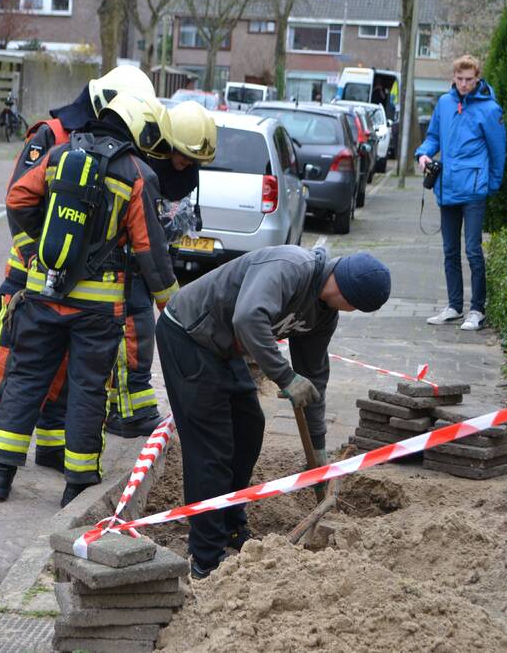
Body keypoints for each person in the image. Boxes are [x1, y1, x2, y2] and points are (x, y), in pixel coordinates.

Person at [0, 93, 180, 507]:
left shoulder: (60, 155)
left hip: (43, 293)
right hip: (97, 310)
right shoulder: (136, 173)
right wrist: (175, 307)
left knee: (26, 377)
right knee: (88, 390)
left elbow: (17, 199)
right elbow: (149, 250)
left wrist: (34, 251)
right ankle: (77, 482)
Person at [156, 246, 391, 578]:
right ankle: (206, 557)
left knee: (249, 429)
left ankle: (231, 525)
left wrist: (319, 448)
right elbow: (247, 317)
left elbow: (312, 379)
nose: (350, 311)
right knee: (211, 449)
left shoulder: (323, 315)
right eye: (354, 306)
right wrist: (285, 376)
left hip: (225, 347)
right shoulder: (290, 267)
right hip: (188, 333)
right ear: (347, 294)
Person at [106, 101, 216, 439]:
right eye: (183, 156)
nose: (186, 165)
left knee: (137, 331)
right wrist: (169, 296)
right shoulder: (142, 166)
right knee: (133, 330)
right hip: (126, 261)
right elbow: (143, 229)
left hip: (148, 258)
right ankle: (127, 413)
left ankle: (128, 408)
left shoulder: (182, 175)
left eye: (193, 161)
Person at [416, 54, 506, 331]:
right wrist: (423, 154)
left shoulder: (490, 109)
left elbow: (498, 151)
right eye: (460, 79)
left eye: (469, 79)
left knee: (473, 251)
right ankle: (454, 306)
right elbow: (433, 136)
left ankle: (477, 309)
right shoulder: (444, 103)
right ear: (453, 78)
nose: (464, 84)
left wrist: (491, 185)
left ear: (478, 78)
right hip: (448, 187)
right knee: (450, 250)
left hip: (474, 189)